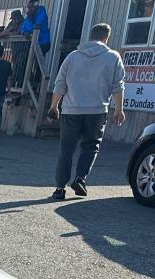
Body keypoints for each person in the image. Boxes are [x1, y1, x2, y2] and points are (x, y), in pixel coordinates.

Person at [47, 23, 126, 200]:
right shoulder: (113, 57)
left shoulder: (72, 57)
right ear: (106, 38)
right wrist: (119, 109)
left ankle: (60, 188)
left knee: (66, 149)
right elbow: (118, 86)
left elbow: (60, 84)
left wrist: (54, 107)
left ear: (90, 37)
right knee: (90, 147)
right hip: (97, 111)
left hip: (71, 110)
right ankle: (80, 178)